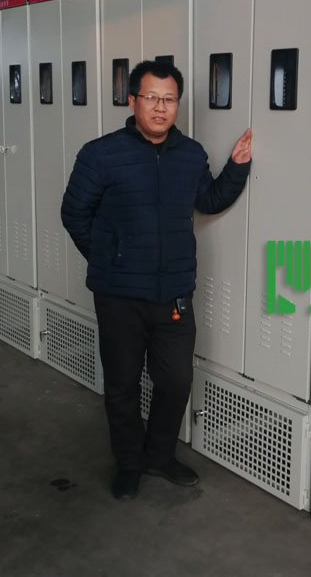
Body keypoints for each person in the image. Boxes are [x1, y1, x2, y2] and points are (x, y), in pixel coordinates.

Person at [61, 59, 251, 500]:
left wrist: (237, 168)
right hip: (120, 296)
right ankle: (129, 463)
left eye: (169, 99)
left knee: (176, 381)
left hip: (174, 294)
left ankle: (160, 456)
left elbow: (208, 199)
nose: (161, 107)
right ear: (133, 101)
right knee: (122, 385)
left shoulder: (190, 154)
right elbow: (73, 213)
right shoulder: (101, 154)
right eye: (152, 98)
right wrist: (111, 259)